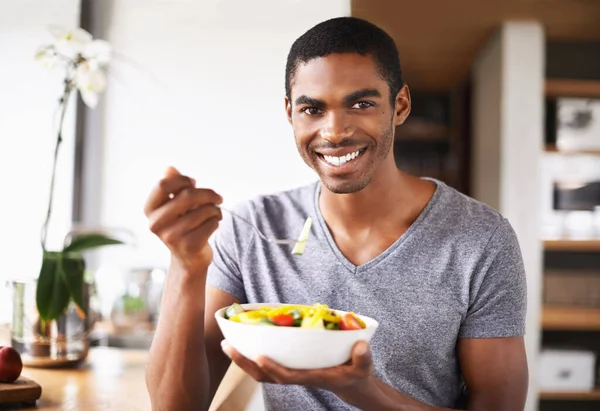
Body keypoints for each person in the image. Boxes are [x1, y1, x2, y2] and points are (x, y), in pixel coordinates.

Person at [144, 16, 529, 411]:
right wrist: (186, 265)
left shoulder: (482, 240)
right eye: (312, 109)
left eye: (361, 104)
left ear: (400, 105)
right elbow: (175, 407)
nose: (334, 131)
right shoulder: (252, 229)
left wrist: (363, 390)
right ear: (290, 113)